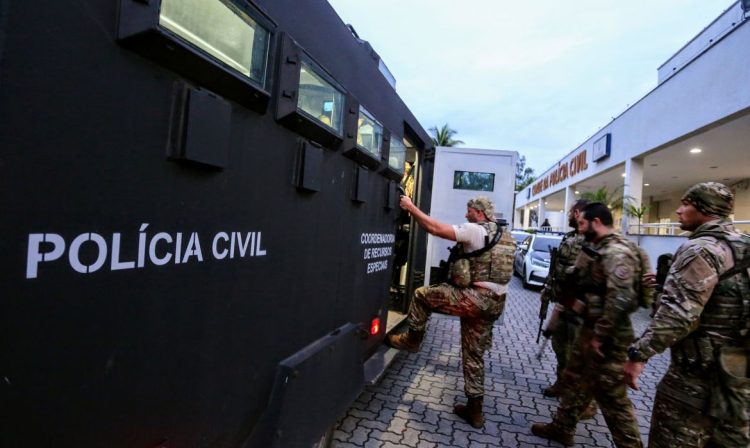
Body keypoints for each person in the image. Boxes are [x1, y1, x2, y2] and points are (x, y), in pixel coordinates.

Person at [624, 182, 750, 448]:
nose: (678, 211)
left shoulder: (700, 249)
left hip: (695, 381)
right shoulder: (743, 245)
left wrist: (638, 354)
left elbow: (678, 317)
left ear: (705, 209)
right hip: (738, 382)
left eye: (686, 204)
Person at [386, 195, 515, 428]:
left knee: (421, 295)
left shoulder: (476, 230)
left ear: (479, 212)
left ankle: (412, 340)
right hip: (495, 303)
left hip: (475, 299)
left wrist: (411, 207)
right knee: (474, 355)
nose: (466, 215)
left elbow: (434, 228)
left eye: (469, 211)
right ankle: (475, 411)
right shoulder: (506, 235)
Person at [531, 202, 644, 447]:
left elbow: (621, 300)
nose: (579, 228)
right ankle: (562, 428)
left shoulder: (616, 252)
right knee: (576, 380)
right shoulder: (597, 248)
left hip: (609, 336)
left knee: (613, 398)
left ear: (596, 222)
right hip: (592, 327)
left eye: (582, 223)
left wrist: (599, 335)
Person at [538, 199, 598, 419]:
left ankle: (587, 402)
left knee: (576, 353)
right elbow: (559, 269)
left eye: (575, 212)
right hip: (564, 303)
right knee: (560, 345)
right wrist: (549, 289)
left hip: (580, 308)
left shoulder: (592, 241)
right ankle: (562, 383)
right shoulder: (570, 237)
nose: (571, 215)